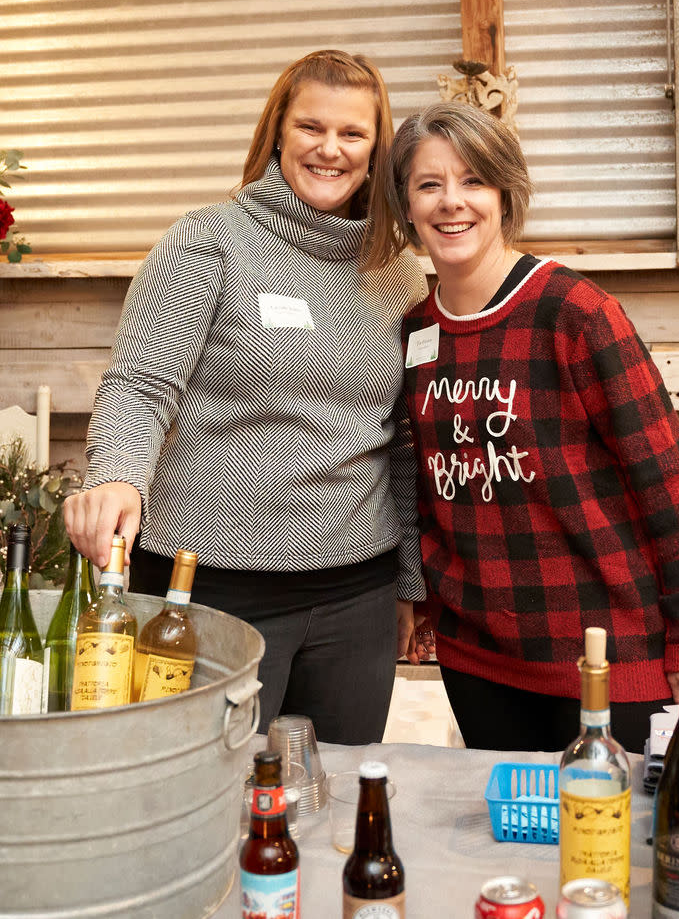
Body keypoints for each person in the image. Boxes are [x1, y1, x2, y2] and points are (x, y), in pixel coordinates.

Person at [64, 50, 427, 745]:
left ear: (376, 150)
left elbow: (403, 440)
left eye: (352, 133)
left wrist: (408, 580)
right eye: (310, 127)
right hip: (209, 588)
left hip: (358, 594)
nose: (330, 148)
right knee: (201, 780)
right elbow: (140, 386)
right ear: (277, 133)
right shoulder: (209, 241)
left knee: (330, 789)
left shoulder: (398, 272)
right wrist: (116, 476)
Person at [385, 100, 679, 752]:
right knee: (505, 817)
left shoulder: (575, 314)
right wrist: (422, 600)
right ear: (406, 205)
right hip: (479, 662)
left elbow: (666, 487)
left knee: (609, 820)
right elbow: (425, 489)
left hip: (604, 659)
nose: (452, 201)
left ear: (505, 194)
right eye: (429, 184)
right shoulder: (417, 331)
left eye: (473, 180)